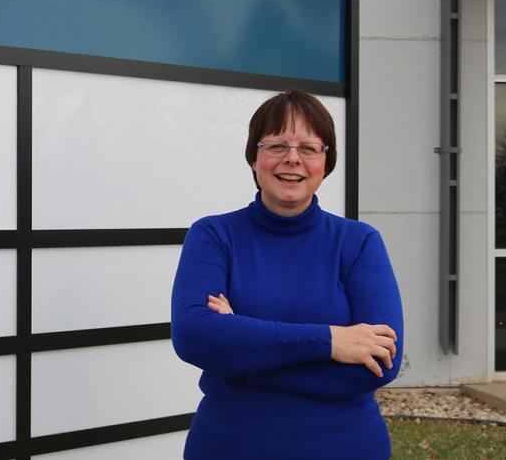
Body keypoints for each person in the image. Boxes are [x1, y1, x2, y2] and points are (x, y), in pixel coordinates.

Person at [171, 89, 403, 459]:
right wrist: (330, 341)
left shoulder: (359, 243)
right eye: (277, 145)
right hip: (230, 447)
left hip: (345, 449)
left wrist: (241, 355)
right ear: (254, 157)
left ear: (326, 162)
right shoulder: (214, 235)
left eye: (309, 148)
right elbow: (194, 336)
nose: (292, 159)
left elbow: (379, 364)